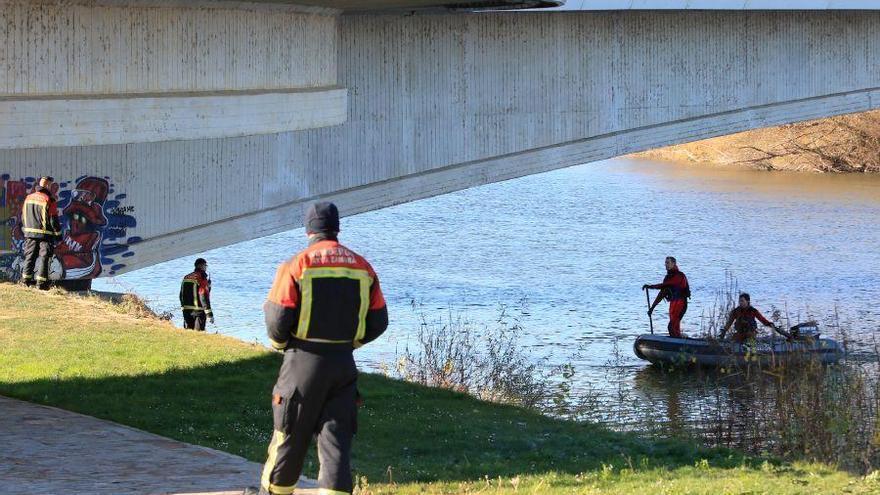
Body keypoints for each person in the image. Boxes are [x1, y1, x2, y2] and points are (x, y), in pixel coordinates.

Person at [257, 202, 388, 495]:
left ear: (308, 230)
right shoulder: (362, 266)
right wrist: (351, 343)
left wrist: (283, 346)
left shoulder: (296, 265)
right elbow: (379, 321)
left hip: (302, 362)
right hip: (343, 365)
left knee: (289, 437)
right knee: (336, 444)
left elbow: (277, 320)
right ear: (336, 228)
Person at [21, 177, 62, 290]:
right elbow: (53, 219)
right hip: (45, 234)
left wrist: (26, 229)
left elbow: (23, 215)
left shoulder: (28, 198)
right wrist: (58, 235)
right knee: (45, 257)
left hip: (29, 233)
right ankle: (42, 284)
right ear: (48, 185)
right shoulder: (49, 199)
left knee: (30, 256)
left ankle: (25, 282)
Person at [642, 256, 690, 338]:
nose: (666, 265)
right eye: (665, 263)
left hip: (681, 304)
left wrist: (651, 286)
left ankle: (679, 344)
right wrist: (652, 308)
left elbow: (665, 285)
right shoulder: (668, 277)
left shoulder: (679, 276)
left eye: (668, 263)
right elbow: (662, 294)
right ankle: (678, 343)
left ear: (674, 264)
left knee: (671, 327)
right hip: (673, 305)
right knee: (674, 328)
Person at [719, 293, 790, 343]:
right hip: (740, 334)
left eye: (742, 301)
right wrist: (724, 332)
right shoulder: (735, 311)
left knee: (751, 340)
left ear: (748, 301)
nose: (740, 303)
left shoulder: (753, 311)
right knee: (733, 342)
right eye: (740, 301)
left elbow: (763, 320)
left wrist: (771, 325)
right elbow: (729, 323)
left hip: (750, 334)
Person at [179, 258, 213, 331]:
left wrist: (183, 307)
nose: (206, 268)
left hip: (187, 310)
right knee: (199, 334)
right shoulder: (201, 278)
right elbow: (203, 295)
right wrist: (209, 314)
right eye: (205, 266)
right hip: (198, 311)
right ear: (201, 266)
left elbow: (181, 294)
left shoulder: (186, 277)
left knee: (188, 333)